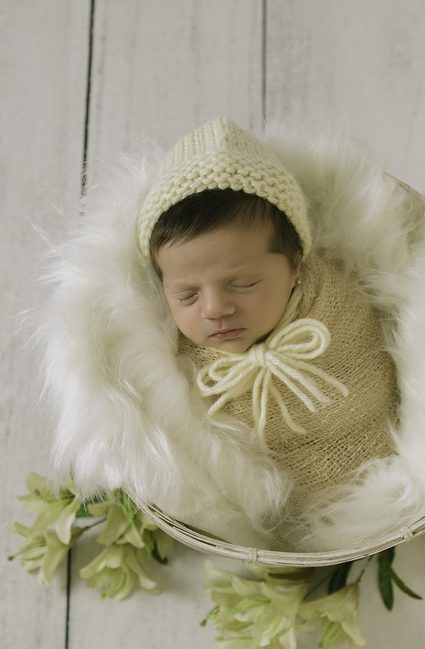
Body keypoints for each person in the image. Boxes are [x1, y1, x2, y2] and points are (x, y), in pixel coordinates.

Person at [137, 118, 400, 517]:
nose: (214, 309)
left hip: (374, 485)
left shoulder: (335, 310)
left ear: (295, 267)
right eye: (187, 295)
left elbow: (373, 375)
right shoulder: (169, 359)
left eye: (243, 284)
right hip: (259, 515)